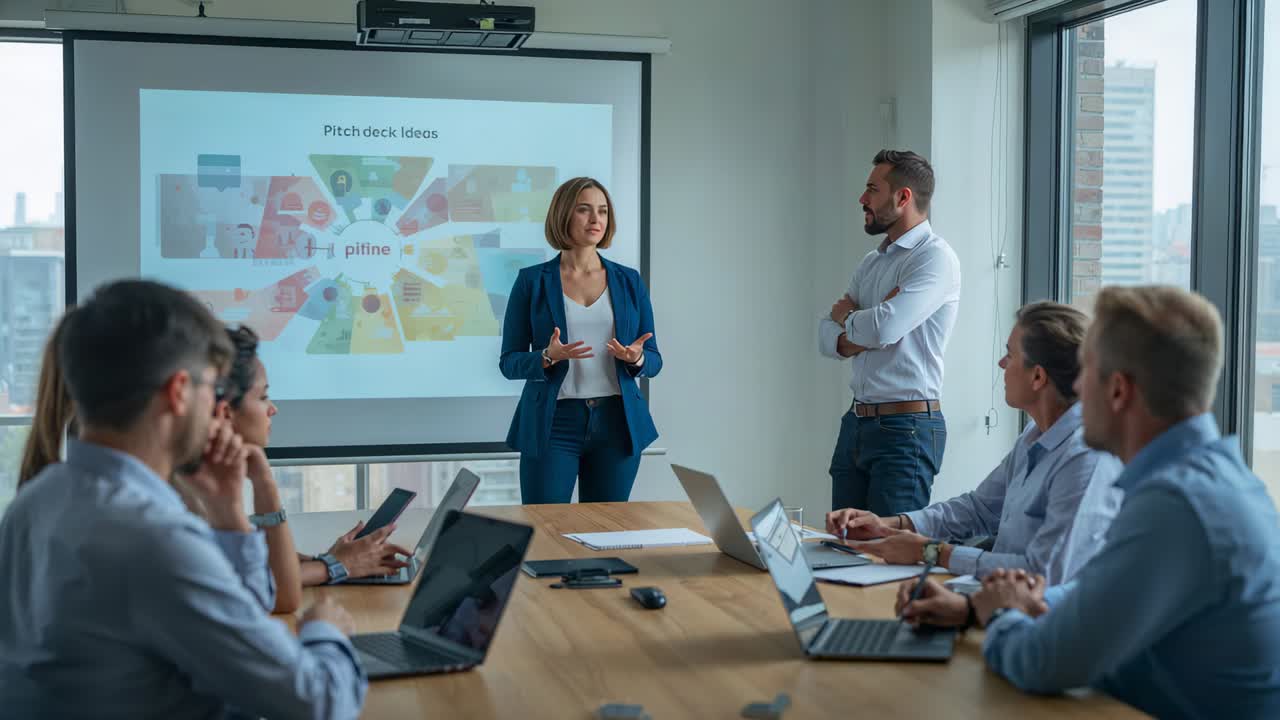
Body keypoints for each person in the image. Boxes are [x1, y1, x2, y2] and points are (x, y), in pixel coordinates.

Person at [894, 286, 1280, 719]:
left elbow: (1041, 663)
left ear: (1118, 391)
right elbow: (1101, 591)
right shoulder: (1220, 481)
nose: (1075, 386)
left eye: (1086, 373)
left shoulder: (1177, 506)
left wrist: (1001, 613)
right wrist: (971, 609)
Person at [0, 280, 366, 718]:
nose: (218, 409)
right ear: (178, 392)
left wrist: (230, 515)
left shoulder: (36, 499)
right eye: (212, 388)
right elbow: (320, 702)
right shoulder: (152, 537)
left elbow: (242, 615)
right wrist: (326, 632)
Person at [826, 301, 1122, 584]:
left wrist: (930, 552)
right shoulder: (1034, 437)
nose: (1001, 363)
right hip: (996, 599)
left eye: (1010, 355)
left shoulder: (1086, 457)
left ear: (1038, 376)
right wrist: (889, 524)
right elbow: (979, 509)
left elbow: (1043, 573)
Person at [500, 177, 661, 504]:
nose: (596, 219)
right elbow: (509, 362)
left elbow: (654, 360)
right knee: (546, 532)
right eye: (584, 210)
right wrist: (546, 356)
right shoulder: (531, 281)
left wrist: (636, 359)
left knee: (607, 533)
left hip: (617, 423)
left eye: (602, 211)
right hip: (553, 423)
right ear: (563, 215)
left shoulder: (629, 281)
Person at [819, 150, 961, 515]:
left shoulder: (935, 258)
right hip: (856, 423)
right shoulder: (872, 262)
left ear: (903, 197)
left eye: (872, 190)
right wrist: (865, 322)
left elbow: (885, 327)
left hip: (906, 430)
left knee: (888, 558)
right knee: (844, 548)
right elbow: (825, 335)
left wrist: (852, 316)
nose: (862, 199)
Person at [215, 326, 411, 589]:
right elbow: (270, 590)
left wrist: (333, 562)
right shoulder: (192, 496)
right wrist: (336, 566)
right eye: (263, 397)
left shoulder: (212, 482)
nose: (273, 409)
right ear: (225, 411)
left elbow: (257, 565)